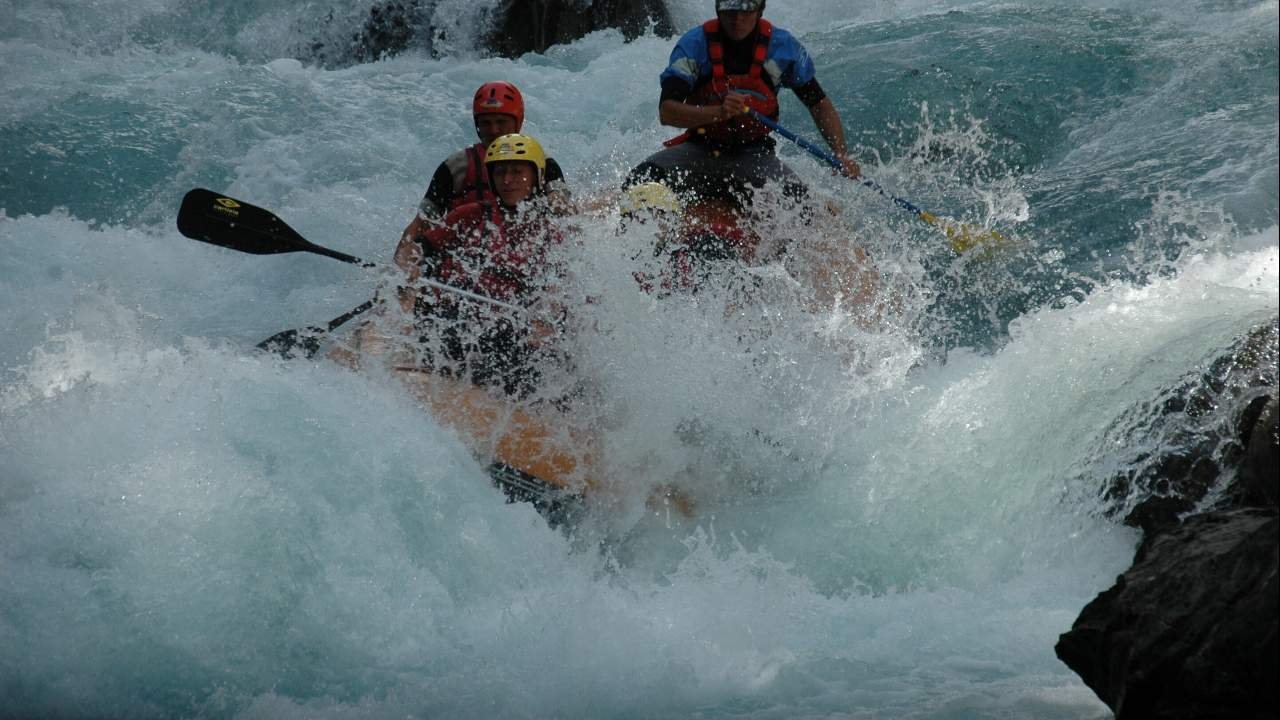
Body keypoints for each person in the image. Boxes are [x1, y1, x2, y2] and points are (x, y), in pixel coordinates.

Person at [625, 0, 860, 209]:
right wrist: (718, 112)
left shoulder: (783, 48)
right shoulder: (694, 45)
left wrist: (840, 154)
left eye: (746, 10)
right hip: (700, 149)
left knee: (805, 208)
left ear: (760, 9)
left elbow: (818, 104)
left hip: (754, 155)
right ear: (718, 8)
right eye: (730, 10)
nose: (738, 19)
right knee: (642, 179)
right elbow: (667, 112)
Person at [393, 133, 569, 399]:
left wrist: (547, 320)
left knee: (532, 353)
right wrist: (411, 266)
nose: (508, 181)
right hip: (457, 320)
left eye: (517, 172)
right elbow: (415, 251)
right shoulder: (470, 215)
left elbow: (559, 290)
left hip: (512, 329)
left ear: (536, 177)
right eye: (501, 173)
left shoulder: (551, 231)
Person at [397, 81, 568, 254]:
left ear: (518, 121)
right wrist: (400, 267)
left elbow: (563, 208)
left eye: (501, 121)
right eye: (486, 123)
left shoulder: (540, 163)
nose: (493, 130)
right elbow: (421, 223)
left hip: (524, 253)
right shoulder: (456, 166)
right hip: (467, 256)